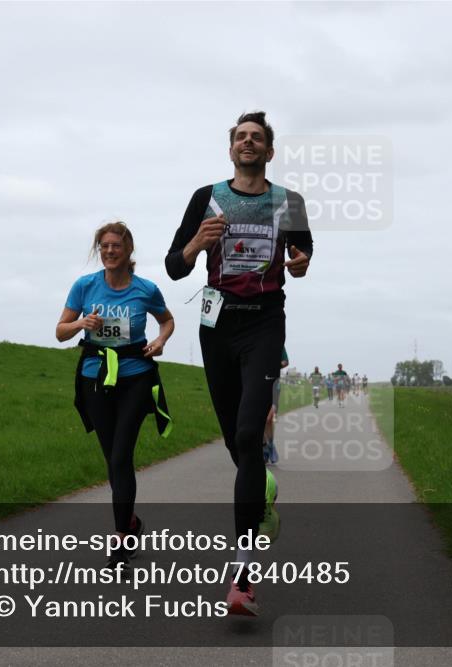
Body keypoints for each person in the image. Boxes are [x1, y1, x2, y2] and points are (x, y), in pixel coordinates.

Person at [165, 110, 312, 616]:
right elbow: (174, 266)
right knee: (236, 442)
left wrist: (301, 262)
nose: (248, 143)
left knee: (250, 435)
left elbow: (303, 254)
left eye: (257, 138)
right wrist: (197, 244)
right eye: (241, 137)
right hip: (217, 325)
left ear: (269, 151)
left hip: (265, 322)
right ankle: (261, 488)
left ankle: (243, 577)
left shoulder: (288, 201)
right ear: (231, 149)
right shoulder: (205, 198)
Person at [57, 221, 174, 568]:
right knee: (113, 459)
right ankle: (131, 523)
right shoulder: (85, 286)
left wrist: (160, 341)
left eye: (116, 246)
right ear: (99, 250)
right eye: (104, 246)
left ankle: (121, 540)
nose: (110, 251)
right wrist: (81, 324)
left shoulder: (145, 289)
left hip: (136, 377)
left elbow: (167, 320)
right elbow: (60, 331)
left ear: (128, 250)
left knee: (121, 457)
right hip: (95, 378)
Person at [262, 347, 289, 465]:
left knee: (269, 419)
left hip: (273, 384)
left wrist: (271, 365)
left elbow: (285, 361)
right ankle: (264, 447)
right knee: (259, 419)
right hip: (256, 384)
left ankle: (270, 444)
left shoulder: (276, 342)